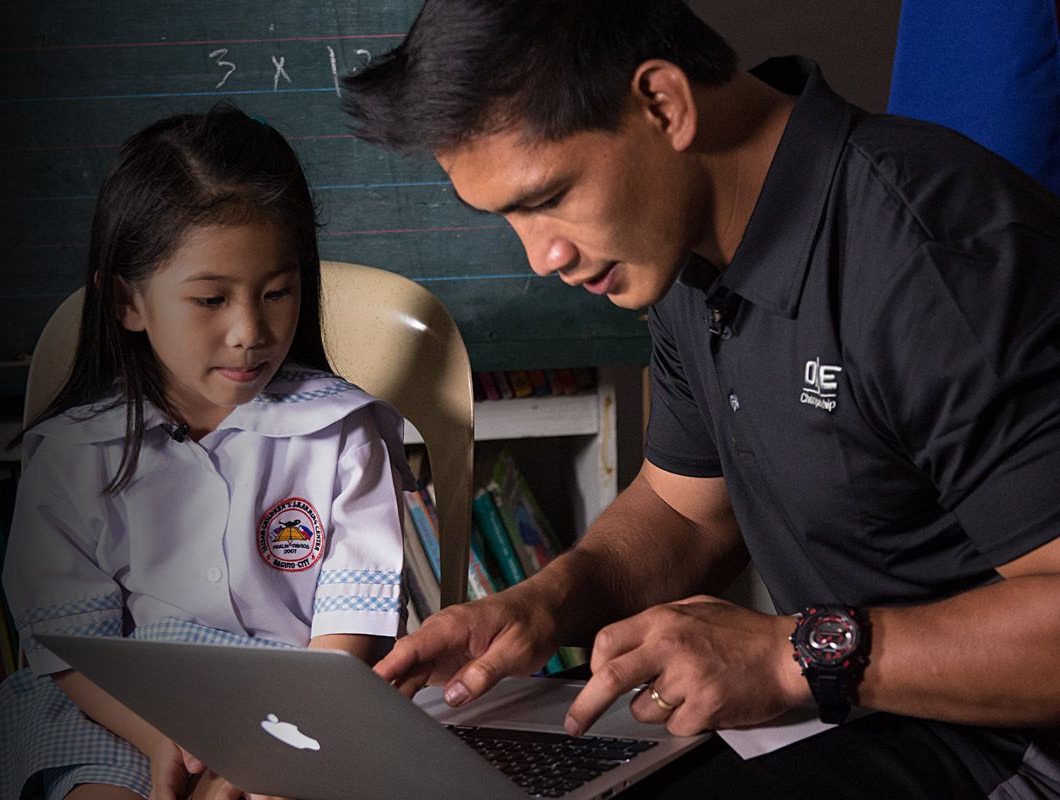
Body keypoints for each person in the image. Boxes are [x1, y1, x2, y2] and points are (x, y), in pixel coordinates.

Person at [340, 0, 1060, 796]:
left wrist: (788, 655)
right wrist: (541, 606)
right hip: (859, 715)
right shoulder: (686, 253)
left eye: (547, 198)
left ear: (663, 104)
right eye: (509, 216)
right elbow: (688, 515)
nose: (542, 256)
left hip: (1019, 750)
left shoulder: (937, 257)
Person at [0, 106, 411, 800]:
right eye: (210, 299)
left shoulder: (340, 432)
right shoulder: (76, 453)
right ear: (128, 302)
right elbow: (70, 648)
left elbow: (350, 634)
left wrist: (269, 750)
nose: (249, 331)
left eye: (277, 292)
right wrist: (167, 745)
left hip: (303, 709)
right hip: (124, 711)